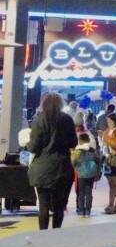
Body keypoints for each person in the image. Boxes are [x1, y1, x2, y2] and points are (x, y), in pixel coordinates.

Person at [26, 92, 77, 229]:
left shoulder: (39, 120)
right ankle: (56, 236)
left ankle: (43, 236)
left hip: (42, 169)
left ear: (44, 104)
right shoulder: (67, 119)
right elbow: (73, 142)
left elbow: (34, 147)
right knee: (59, 207)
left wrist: (27, 144)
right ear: (60, 104)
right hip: (62, 168)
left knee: (43, 205)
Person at [71, 132, 102, 217]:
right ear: (88, 140)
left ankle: (81, 211)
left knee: (81, 193)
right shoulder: (92, 150)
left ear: (79, 141)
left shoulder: (77, 151)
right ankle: (88, 211)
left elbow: (73, 162)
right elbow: (98, 162)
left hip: (81, 174)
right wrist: (97, 173)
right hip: (91, 174)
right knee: (89, 192)